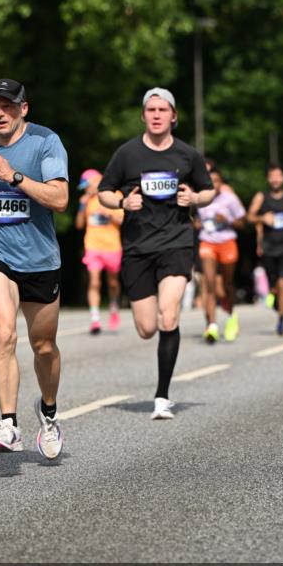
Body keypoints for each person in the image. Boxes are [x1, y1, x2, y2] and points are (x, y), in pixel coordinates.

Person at [98, 88, 214, 420]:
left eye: (163, 109)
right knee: (147, 328)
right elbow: (103, 191)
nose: (157, 114)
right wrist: (122, 202)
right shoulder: (127, 154)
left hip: (177, 242)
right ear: (144, 115)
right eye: (151, 109)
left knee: (169, 315)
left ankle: (162, 396)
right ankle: (161, 386)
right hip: (137, 247)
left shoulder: (187, 155)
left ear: (174, 116)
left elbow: (208, 191)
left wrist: (193, 198)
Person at [0, 79, 68, 457]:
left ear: (23, 108)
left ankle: (49, 411)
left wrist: (15, 177)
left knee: (43, 346)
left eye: (7, 106)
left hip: (41, 260)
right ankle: (8, 425)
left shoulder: (46, 142)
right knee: (4, 334)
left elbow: (59, 199)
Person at [194, 166, 247, 343]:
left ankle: (231, 316)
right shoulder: (200, 198)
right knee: (208, 283)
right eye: (210, 181)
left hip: (227, 242)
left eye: (216, 181)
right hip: (207, 242)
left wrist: (228, 220)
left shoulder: (229, 199)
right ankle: (212, 326)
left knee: (227, 284)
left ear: (221, 182)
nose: (213, 185)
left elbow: (243, 222)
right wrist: (197, 224)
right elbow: (194, 220)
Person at [247, 166, 283, 336]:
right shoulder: (261, 197)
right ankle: (278, 304)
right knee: (274, 286)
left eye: (278, 176)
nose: (275, 179)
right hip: (269, 246)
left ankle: (281, 321)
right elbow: (249, 216)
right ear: (268, 179)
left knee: (282, 281)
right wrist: (262, 218)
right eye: (272, 176)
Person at [75, 168, 123, 334]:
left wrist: (108, 214)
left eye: (87, 186)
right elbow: (79, 225)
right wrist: (82, 205)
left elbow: (122, 220)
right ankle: (95, 319)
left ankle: (114, 307)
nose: (86, 189)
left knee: (113, 283)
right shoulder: (87, 200)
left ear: (96, 182)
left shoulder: (113, 195)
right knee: (94, 281)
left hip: (112, 247)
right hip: (92, 247)